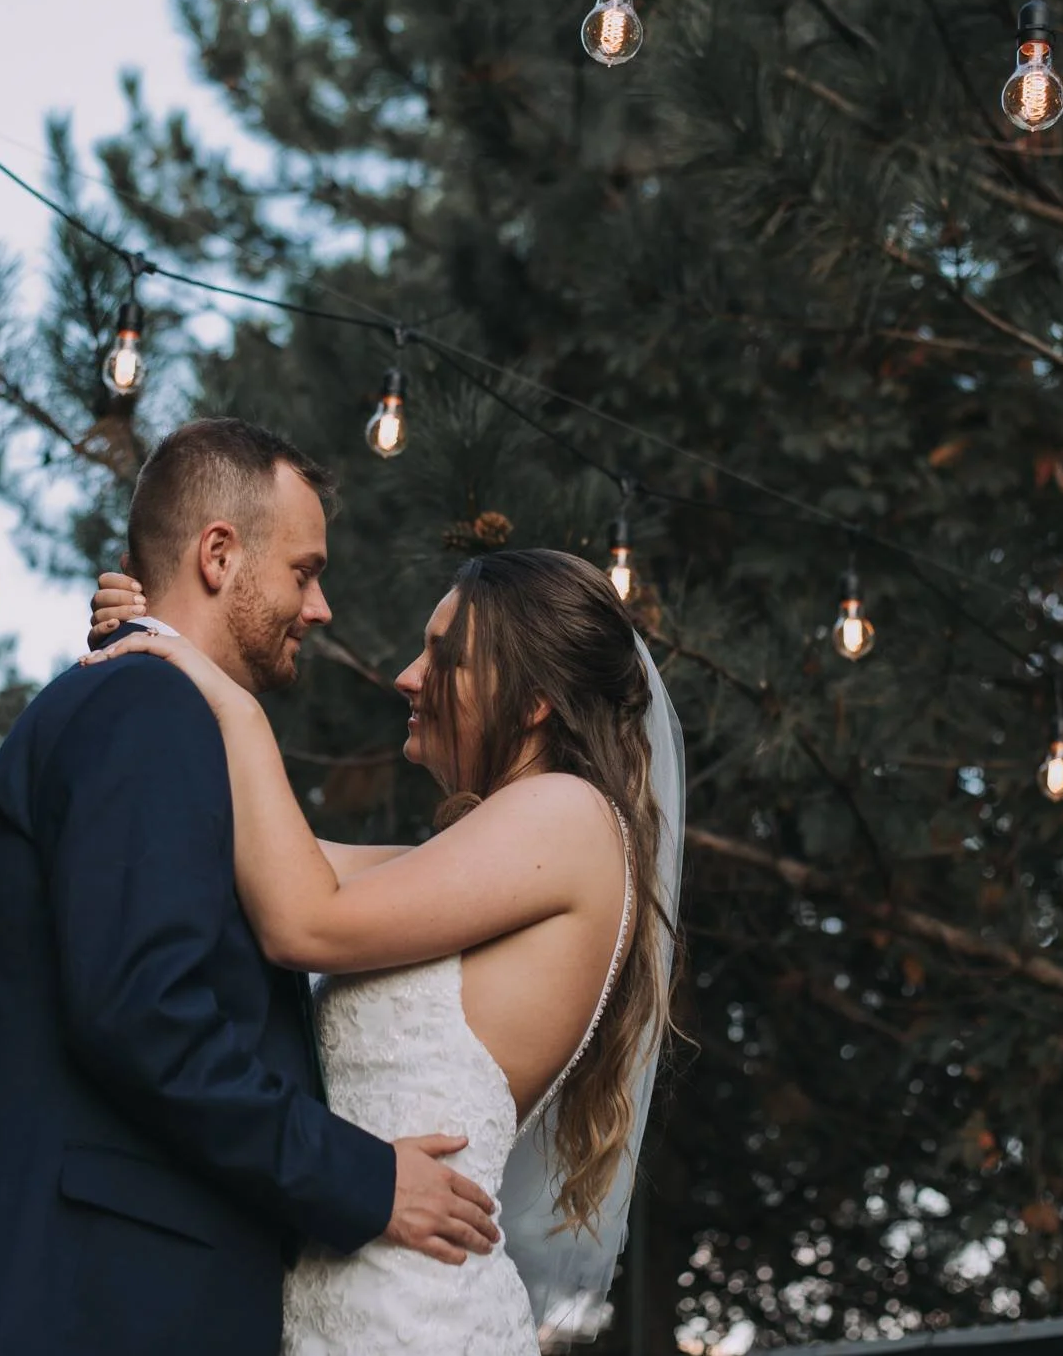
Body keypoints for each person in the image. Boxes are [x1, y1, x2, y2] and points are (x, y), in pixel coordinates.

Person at [0, 418, 502, 1356]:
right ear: (219, 553)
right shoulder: (146, 708)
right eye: (304, 570)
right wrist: (363, 1180)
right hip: (79, 1303)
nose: (321, 606)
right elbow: (142, 1011)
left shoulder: (157, 707)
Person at [84, 540, 685, 1353]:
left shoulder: (571, 814)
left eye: (444, 655)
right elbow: (267, 853)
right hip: (353, 1296)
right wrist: (160, 646)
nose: (407, 675)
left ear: (535, 697)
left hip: (413, 1315)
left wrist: (230, 701)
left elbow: (303, 920)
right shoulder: (492, 854)